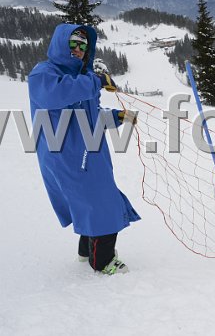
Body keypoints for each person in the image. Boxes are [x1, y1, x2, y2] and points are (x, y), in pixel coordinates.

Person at [28, 24, 140, 275]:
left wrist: (117, 116)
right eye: (73, 43)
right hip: (67, 156)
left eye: (83, 45)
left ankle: (86, 252)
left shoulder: (83, 76)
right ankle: (103, 261)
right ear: (60, 44)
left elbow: (90, 115)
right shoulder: (44, 74)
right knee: (103, 204)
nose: (78, 49)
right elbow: (57, 94)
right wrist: (96, 81)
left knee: (90, 203)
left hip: (90, 152)